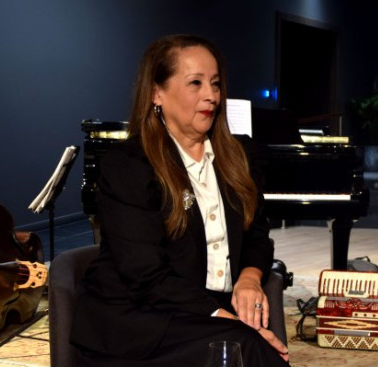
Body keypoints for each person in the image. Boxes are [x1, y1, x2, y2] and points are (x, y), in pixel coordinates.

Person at [70, 34, 290, 366]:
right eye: (195, 83)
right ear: (157, 93)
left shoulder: (241, 155)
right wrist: (225, 318)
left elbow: (257, 235)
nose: (211, 96)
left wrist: (249, 277)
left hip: (204, 312)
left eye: (215, 84)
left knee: (248, 345)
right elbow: (146, 276)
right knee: (248, 346)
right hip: (139, 321)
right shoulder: (129, 165)